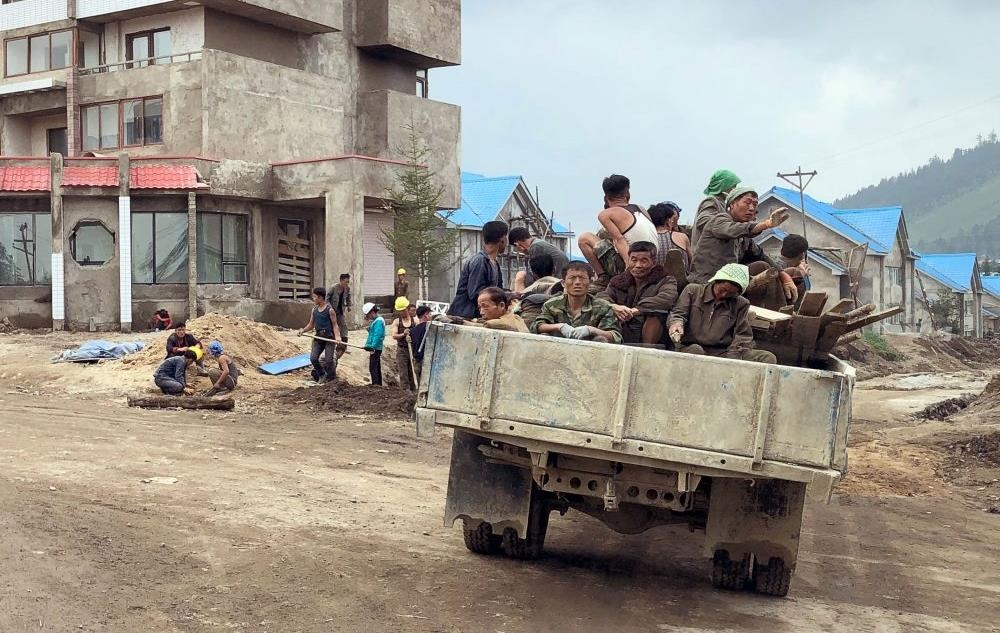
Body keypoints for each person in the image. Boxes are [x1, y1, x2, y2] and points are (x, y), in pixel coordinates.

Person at [667, 263, 777, 364]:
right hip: (690, 347)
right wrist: (676, 324)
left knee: (767, 357)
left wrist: (733, 356)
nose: (724, 295)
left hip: (722, 352)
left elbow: (742, 334)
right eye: (722, 289)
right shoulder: (693, 291)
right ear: (716, 281)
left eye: (731, 293)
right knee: (697, 351)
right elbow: (678, 314)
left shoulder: (741, 303)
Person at [687, 185, 790, 284]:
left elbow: (760, 254)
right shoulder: (719, 221)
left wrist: (783, 274)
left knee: (782, 272)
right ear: (732, 204)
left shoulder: (744, 236)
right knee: (761, 266)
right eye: (747, 202)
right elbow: (735, 229)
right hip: (705, 283)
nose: (751, 208)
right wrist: (766, 224)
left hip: (730, 283)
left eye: (754, 204)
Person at [577, 174, 658, 288]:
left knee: (584, 238)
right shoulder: (640, 208)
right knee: (606, 235)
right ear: (627, 193)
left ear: (606, 198)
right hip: (652, 260)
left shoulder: (606, 214)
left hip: (633, 264)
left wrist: (629, 268)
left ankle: (603, 277)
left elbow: (619, 240)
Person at [598, 241, 677, 345]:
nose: (638, 265)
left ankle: (646, 351)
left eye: (644, 261)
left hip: (651, 332)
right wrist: (614, 307)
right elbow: (602, 297)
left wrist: (637, 310)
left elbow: (667, 298)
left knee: (655, 315)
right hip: (623, 327)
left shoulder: (666, 280)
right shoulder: (617, 281)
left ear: (653, 262)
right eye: (634, 260)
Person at [530, 262, 622, 343]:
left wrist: (591, 330)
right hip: (557, 351)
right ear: (563, 283)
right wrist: (559, 327)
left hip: (591, 352)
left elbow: (616, 336)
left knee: (601, 339)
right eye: (572, 278)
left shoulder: (603, 307)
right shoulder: (552, 305)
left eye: (582, 278)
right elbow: (536, 326)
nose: (577, 282)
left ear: (590, 282)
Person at [448, 220, 508, 319]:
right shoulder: (479, 261)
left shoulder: (495, 264)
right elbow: (475, 293)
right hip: (465, 317)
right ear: (503, 238)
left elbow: (498, 292)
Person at [691, 169, 741, 253]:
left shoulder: (722, 203)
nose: (734, 190)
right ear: (724, 185)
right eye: (733, 186)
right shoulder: (711, 201)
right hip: (706, 256)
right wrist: (727, 227)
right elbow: (703, 221)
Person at [298, 287, 340, 384]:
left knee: (329, 361)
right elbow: (311, 325)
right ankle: (322, 375)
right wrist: (303, 330)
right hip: (318, 338)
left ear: (320, 298)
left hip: (329, 338)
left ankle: (332, 378)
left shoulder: (330, 310)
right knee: (313, 358)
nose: (313, 299)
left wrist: (338, 337)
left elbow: (335, 325)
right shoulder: (314, 310)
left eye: (315, 297)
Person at [508, 226, 569, 292]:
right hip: (559, 277)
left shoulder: (535, 247)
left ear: (517, 243)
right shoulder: (537, 243)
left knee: (521, 277)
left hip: (557, 280)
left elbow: (535, 271)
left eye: (515, 247)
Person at [647, 201, 691, 275]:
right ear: (668, 220)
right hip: (680, 280)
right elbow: (692, 261)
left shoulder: (646, 238)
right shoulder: (682, 237)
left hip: (654, 280)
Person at [391, 297, 417, 391]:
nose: (402, 312)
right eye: (400, 311)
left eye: (404, 310)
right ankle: (405, 391)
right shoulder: (397, 322)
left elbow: (419, 334)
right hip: (402, 350)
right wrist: (403, 334)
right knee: (403, 372)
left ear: (407, 309)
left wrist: (412, 337)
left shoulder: (415, 321)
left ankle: (414, 390)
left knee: (413, 371)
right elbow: (394, 336)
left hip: (412, 349)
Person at [327, 273, 352, 359]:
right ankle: (330, 345)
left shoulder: (347, 289)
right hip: (332, 312)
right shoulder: (333, 288)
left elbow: (348, 297)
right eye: (346, 282)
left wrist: (349, 305)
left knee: (344, 328)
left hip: (340, 312)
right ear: (341, 281)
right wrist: (330, 309)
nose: (347, 284)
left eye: (348, 282)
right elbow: (327, 299)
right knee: (332, 328)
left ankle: (342, 346)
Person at [408, 305, 434, 383]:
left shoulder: (412, 331)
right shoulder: (431, 327)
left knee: (420, 385)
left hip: (417, 361)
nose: (431, 316)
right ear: (425, 315)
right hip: (428, 361)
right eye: (430, 314)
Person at [363, 302, 386, 386]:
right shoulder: (377, 321)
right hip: (376, 347)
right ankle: (378, 385)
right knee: (376, 367)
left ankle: (376, 385)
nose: (368, 317)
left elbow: (378, 335)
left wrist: (372, 347)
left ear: (372, 312)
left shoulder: (378, 321)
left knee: (373, 367)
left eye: (368, 315)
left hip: (375, 348)